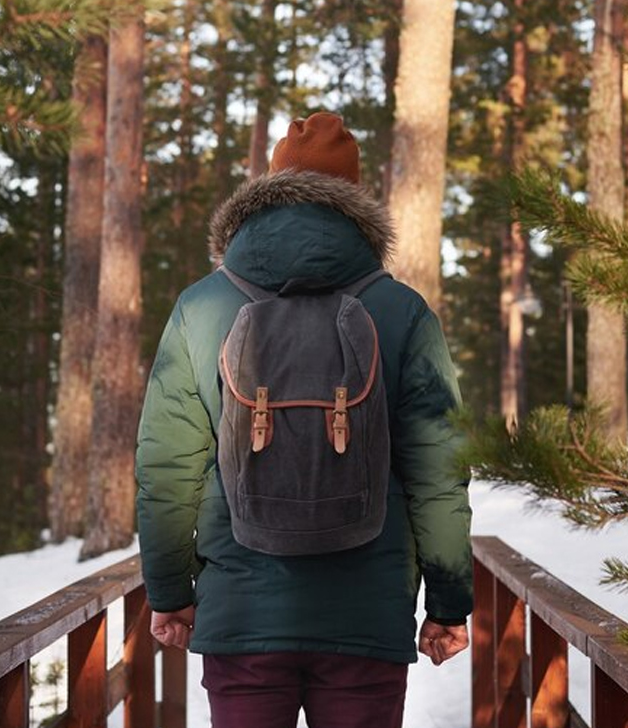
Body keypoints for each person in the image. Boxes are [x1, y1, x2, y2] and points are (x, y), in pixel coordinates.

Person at [135, 111, 473, 728]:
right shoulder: (400, 310)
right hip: (366, 615)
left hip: (241, 615)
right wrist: (449, 603)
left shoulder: (202, 305)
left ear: (265, 193)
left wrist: (170, 593)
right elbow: (438, 472)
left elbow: (167, 467)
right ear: (355, 202)